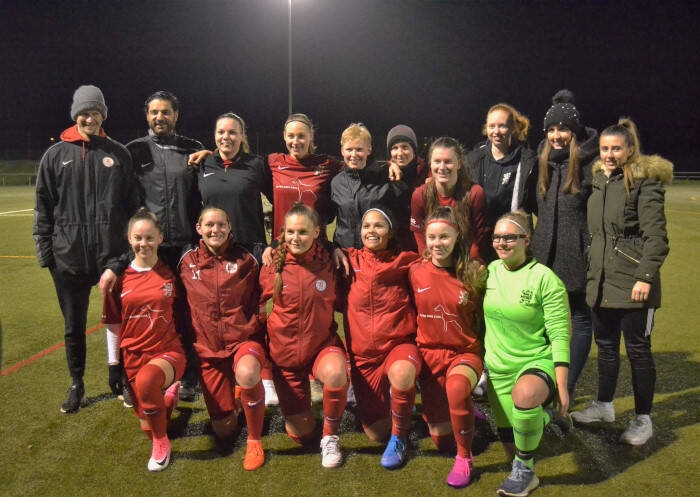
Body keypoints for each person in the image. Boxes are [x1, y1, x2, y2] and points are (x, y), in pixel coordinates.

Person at [33, 84, 138, 413]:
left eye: (95, 112)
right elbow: (43, 208)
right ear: (75, 115)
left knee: (122, 322)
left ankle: (122, 378)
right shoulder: (55, 156)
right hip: (68, 258)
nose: (89, 118)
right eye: (84, 113)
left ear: (103, 115)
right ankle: (76, 384)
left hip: (112, 257)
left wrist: (125, 256)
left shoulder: (118, 154)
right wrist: (47, 256)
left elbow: (132, 207)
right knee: (73, 327)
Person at [571, 118, 672, 447]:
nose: (609, 154)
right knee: (607, 348)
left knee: (639, 351)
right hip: (600, 282)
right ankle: (604, 406)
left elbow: (656, 238)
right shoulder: (600, 180)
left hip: (633, 283)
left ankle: (643, 419)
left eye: (616, 148)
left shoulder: (644, 182)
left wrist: (644, 277)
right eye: (605, 149)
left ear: (630, 150)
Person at [100, 90, 204, 402]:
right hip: (149, 248)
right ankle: (133, 376)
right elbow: (121, 202)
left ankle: (189, 375)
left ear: (176, 115)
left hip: (184, 246)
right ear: (147, 115)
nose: (160, 117)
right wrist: (120, 256)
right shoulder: (134, 150)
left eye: (166, 112)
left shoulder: (193, 149)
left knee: (186, 313)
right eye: (154, 112)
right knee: (141, 314)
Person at [483, 211, 571, 497]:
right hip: (498, 369)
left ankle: (526, 473)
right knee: (514, 444)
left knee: (526, 399)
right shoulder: (489, 271)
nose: (501, 243)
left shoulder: (545, 279)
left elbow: (560, 334)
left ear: (527, 240)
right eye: (497, 237)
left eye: (510, 237)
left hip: (534, 362)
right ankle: (545, 419)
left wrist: (562, 386)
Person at [259, 203, 349, 468]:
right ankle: (308, 418)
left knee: (336, 373)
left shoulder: (329, 263)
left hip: (321, 347)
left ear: (317, 232)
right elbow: (253, 306)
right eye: (290, 232)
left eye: (303, 232)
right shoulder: (272, 265)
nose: (295, 238)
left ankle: (330, 437)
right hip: (285, 357)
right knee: (302, 435)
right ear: (282, 233)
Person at [179, 207, 267, 470]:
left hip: (244, 341)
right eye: (209, 225)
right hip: (208, 351)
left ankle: (254, 440)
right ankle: (237, 400)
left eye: (221, 225)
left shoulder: (249, 256)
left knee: (248, 373)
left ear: (230, 227)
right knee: (224, 431)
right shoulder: (185, 260)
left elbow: (283, 254)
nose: (215, 230)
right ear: (198, 228)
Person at [408, 206, 487, 488]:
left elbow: (487, 318)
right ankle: (464, 408)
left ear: (457, 238)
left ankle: (465, 458)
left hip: (464, 353)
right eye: (432, 237)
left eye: (444, 237)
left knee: (457, 388)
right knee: (442, 441)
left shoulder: (475, 273)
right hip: (430, 356)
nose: (437, 243)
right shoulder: (415, 271)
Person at [102, 208, 186, 472]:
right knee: (149, 424)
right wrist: (113, 364)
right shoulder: (118, 278)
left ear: (160, 238)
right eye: (138, 238)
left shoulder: (172, 272)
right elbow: (113, 323)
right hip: (133, 357)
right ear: (129, 238)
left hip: (168, 352)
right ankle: (168, 398)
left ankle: (161, 446)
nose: (144, 243)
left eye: (150, 238)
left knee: (148, 382)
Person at [530, 90, 599, 402]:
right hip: (544, 257)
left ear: (575, 130)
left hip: (577, 258)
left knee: (580, 321)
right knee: (544, 324)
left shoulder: (591, 162)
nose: (556, 136)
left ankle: (565, 390)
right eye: (551, 130)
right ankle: (545, 381)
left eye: (563, 129)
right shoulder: (542, 159)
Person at [341, 208, 421, 469]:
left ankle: (400, 438)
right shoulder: (348, 260)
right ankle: (399, 406)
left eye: (378, 226)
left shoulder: (406, 261)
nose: (371, 231)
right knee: (376, 433)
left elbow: (439, 262)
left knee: (402, 374)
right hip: (363, 357)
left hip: (398, 346)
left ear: (390, 232)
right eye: (366, 226)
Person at [467, 103, 538, 262]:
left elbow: (536, 203)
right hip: (480, 241)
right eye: (492, 126)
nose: (496, 131)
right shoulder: (474, 159)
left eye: (502, 126)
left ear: (513, 128)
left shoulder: (527, 161)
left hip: (511, 242)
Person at [197, 113, 272, 254]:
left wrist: (276, 241)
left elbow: (279, 200)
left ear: (242, 136)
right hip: (214, 249)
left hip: (250, 250)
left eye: (232, 132)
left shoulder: (257, 164)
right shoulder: (202, 164)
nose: (225, 137)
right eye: (221, 132)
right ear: (215, 135)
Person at [331, 123, 409, 249]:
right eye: (349, 149)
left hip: (378, 256)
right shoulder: (336, 182)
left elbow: (404, 220)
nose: (354, 154)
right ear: (342, 151)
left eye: (359, 149)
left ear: (369, 149)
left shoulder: (388, 178)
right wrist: (335, 248)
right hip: (346, 255)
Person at [410, 137, 489, 261]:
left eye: (448, 161)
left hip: (465, 258)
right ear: (430, 164)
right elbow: (419, 235)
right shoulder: (419, 195)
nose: (442, 167)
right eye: (437, 161)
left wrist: (471, 263)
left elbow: (478, 238)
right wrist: (430, 262)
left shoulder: (474, 193)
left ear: (459, 163)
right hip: (434, 257)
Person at [386, 124, 430, 251]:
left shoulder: (428, 173)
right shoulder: (386, 174)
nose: (400, 153)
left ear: (414, 150)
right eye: (395, 148)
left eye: (405, 147)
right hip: (395, 248)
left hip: (425, 245)